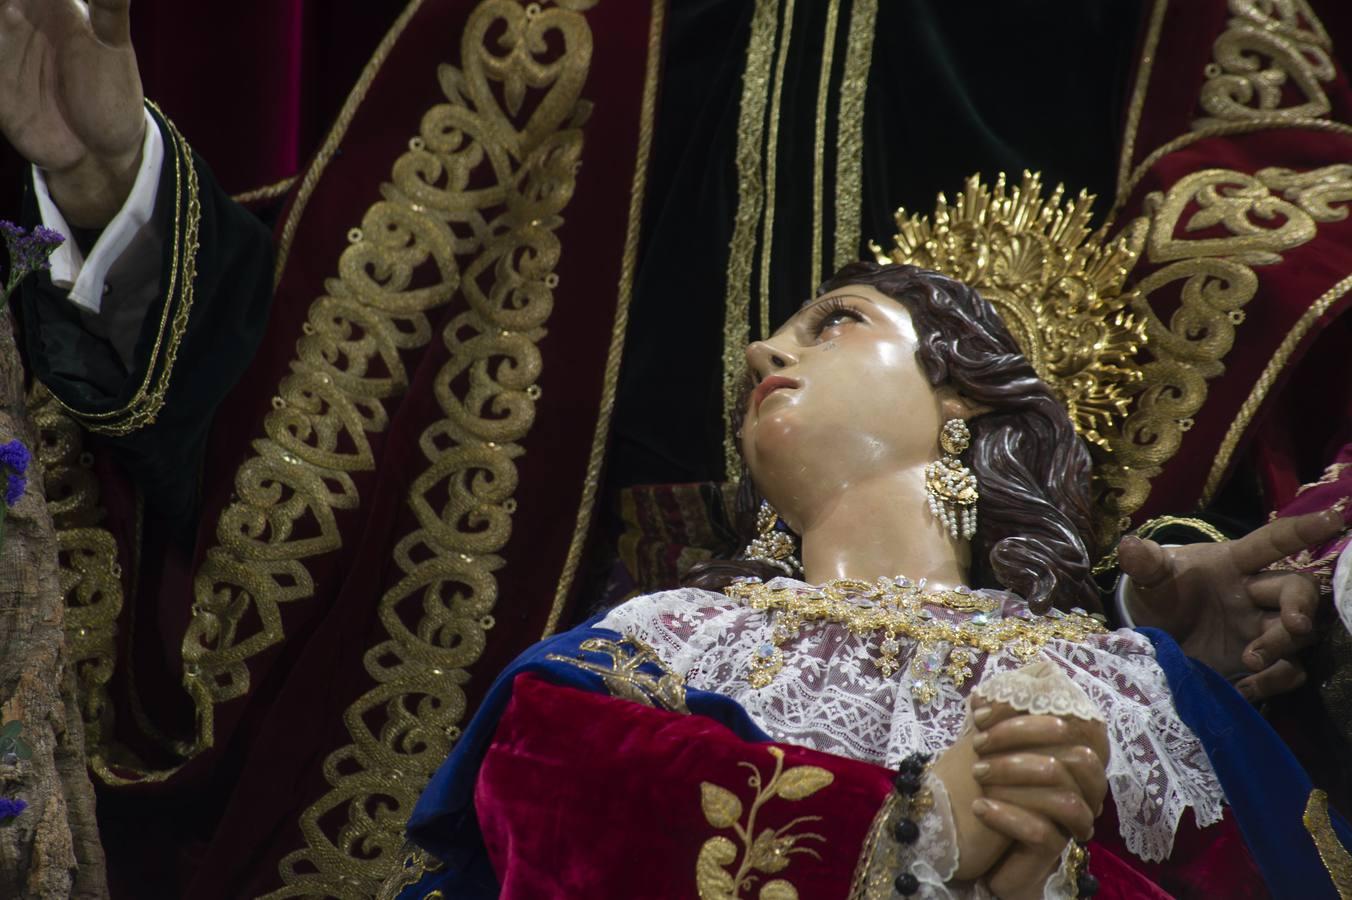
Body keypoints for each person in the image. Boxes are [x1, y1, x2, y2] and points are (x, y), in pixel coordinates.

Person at [3, 2, 1349, 897]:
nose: (768, 354)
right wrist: (115, 194)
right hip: (547, 650)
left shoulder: (1179, 31)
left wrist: (1162, 584)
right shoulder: (542, 33)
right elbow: (322, 390)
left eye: (834, 323)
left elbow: (1252, 329)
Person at [393, 264, 1351, 898]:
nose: (764, 354)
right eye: (771, 345)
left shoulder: (1134, 685)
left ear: (963, 394)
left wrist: (1066, 877)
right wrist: (911, 826)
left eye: (833, 323)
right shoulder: (675, 637)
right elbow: (549, 792)